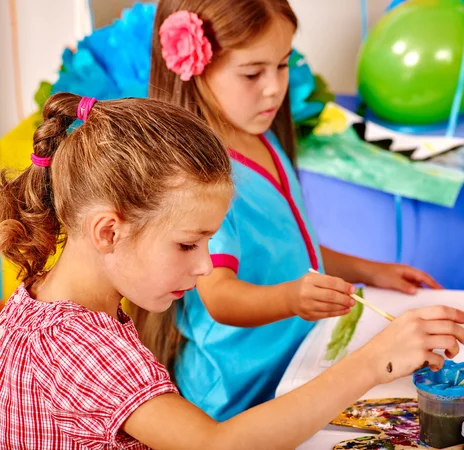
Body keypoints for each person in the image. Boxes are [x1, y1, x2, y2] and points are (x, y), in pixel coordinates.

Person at [0, 93, 464, 449]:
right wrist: (372, 362)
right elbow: (215, 445)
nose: (205, 266)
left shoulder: (37, 302)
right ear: (108, 232)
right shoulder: (79, 346)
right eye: (187, 243)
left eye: (208, 242)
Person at [144, 0, 443, 421]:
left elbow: (287, 253)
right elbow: (220, 296)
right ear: (194, 68)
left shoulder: (261, 136)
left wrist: (369, 270)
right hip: (233, 399)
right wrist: (294, 298)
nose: (274, 88)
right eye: (252, 73)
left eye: (283, 65)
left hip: (290, 368)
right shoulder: (202, 176)